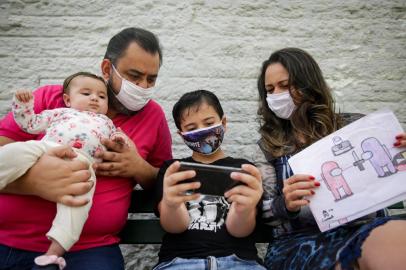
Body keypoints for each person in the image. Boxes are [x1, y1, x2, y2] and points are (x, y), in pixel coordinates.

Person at [0, 27, 172, 270]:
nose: (142, 86)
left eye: (151, 79)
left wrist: (137, 167)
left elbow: (162, 181)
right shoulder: (55, 97)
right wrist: (33, 181)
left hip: (91, 249)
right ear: (106, 69)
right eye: (134, 76)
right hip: (9, 241)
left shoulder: (152, 116)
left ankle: (56, 248)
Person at [253, 47, 406, 270]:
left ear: (308, 84)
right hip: (301, 241)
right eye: (270, 89)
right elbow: (260, 211)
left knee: (393, 236)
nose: (277, 94)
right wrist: (284, 204)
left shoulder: (357, 127)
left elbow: (393, 178)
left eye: (285, 86)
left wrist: (399, 156)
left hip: (367, 229)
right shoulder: (269, 146)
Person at [0, 71, 129, 269]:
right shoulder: (60, 112)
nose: (94, 98)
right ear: (68, 100)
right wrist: (23, 105)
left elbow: (119, 141)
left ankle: (54, 252)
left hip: (83, 163)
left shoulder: (108, 123)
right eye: (86, 93)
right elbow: (30, 124)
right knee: (15, 152)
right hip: (47, 150)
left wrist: (120, 141)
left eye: (101, 96)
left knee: (79, 205)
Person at [153, 90, 265, 270]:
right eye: (191, 128)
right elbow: (174, 226)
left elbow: (240, 230)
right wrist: (171, 204)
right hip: (180, 261)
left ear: (224, 123)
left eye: (209, 123)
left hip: (239, 262)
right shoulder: (173, 170)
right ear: (182, 135)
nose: (202, 131)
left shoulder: (243, 169)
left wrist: (244, 209)